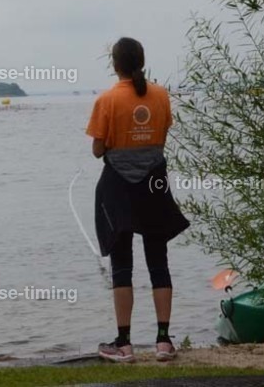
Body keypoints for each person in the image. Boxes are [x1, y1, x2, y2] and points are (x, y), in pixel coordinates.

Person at [86, 38, 189, 363]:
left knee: (122, 266)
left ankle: (124, 344)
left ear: (115, 65)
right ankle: (163, 342)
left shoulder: (106, 100)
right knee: (159, 262)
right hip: (154, 184)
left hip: (118, 187)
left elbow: (98, 150)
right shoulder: (161, 95)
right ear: (141, 62)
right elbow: (161, 136)